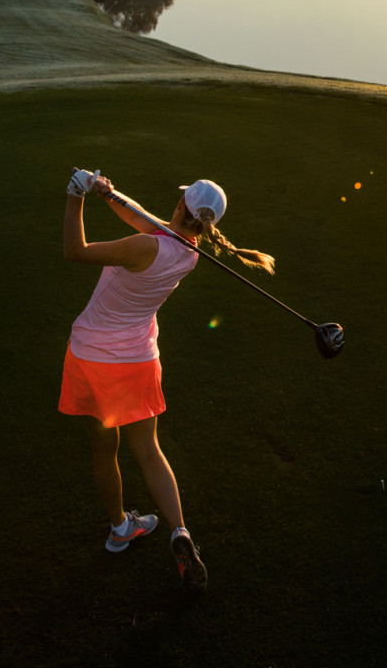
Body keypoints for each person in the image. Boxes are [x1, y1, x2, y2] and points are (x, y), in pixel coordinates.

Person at [59, 168, 275, 594]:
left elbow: (75, 251)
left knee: (105, 450)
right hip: (139, 360)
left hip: (94, 359)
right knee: (149, 450)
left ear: (181, 206)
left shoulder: (146, 246)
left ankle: (121, 528)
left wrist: (75, 195)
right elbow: (146, 221)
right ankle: (179, 532)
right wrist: (108, 192)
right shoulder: (190, 252)